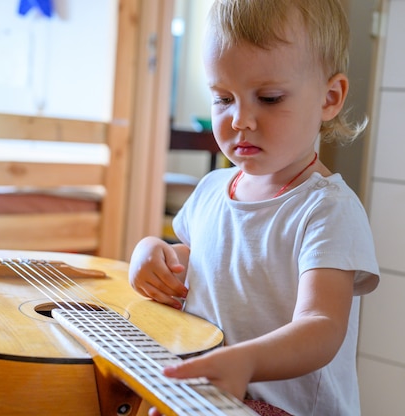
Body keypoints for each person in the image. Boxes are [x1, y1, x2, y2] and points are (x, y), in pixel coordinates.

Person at [128, 0, 380, 414]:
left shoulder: (328, 210)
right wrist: (154, 254)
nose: (241, 119)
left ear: (329, 98)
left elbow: (322, 327)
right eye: (223, 98)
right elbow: (204, 262)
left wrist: (246, 361)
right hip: (216, 395)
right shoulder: (211, 189)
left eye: (269, 97)